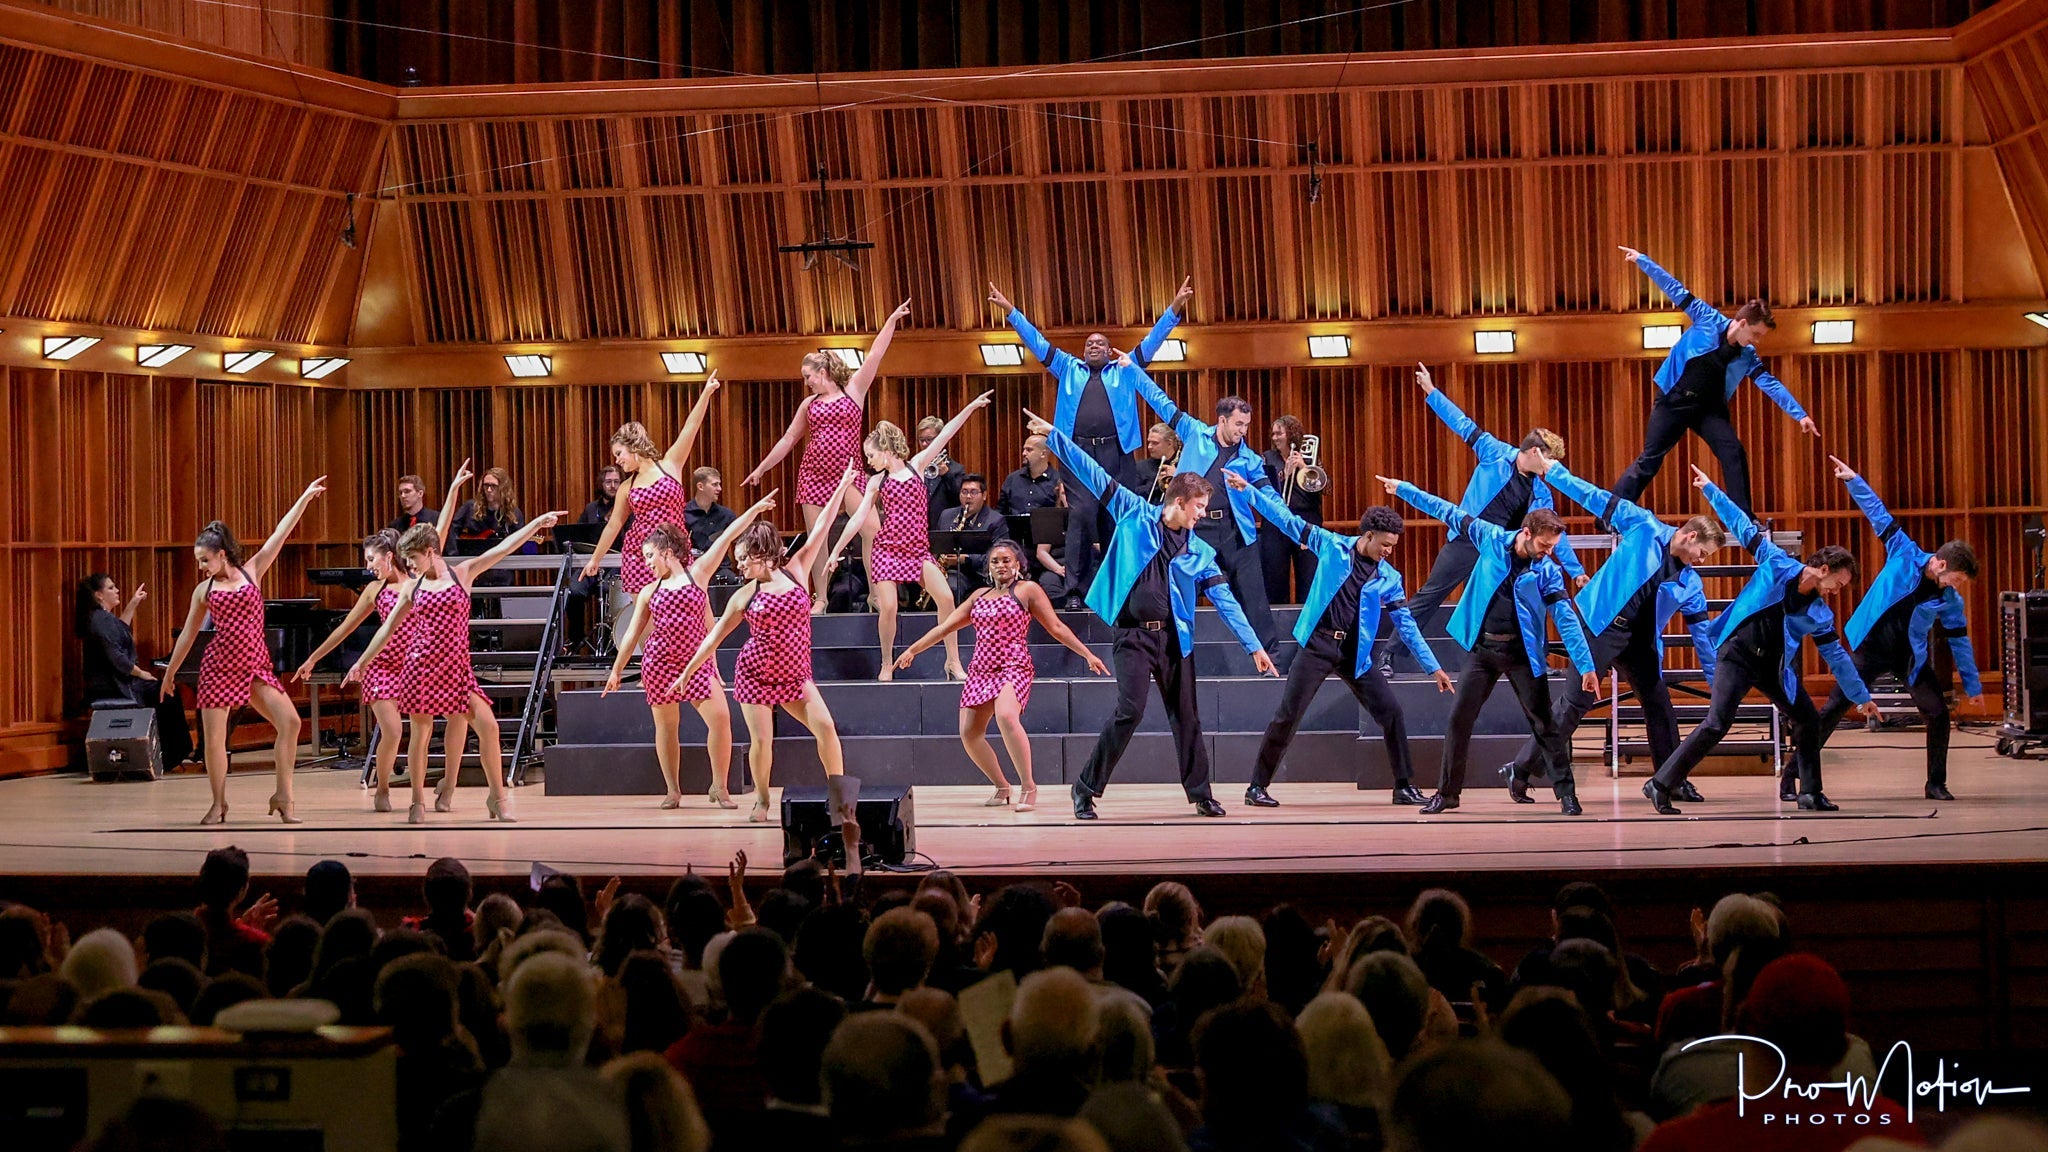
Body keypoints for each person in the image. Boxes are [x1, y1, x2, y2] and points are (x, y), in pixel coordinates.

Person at [1026, 409, 1277, 821]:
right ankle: (1085, 788)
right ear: (1180, 502)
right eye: (1198, 507)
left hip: (1175, 640)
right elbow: (1093, 474)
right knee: (1130, 711)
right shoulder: (1135, 513)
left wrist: (1254, 646)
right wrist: (1055, 438)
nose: (1201, 515)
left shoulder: (1200, 551)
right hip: (1133, 635)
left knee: (1187, 717)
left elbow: (1226, 600)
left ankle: (1201, 794)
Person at [1647, 466, 1876, 814]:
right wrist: (1710, 489)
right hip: (1736, 654)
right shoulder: (1777, 563)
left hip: (1773, 667)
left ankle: (1810, 793)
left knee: (1808, 719)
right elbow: (1741, 525)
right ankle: (1660, 783)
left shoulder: (1819, 613)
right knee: (1717, 723)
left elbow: (1838, 657)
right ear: (1825, 570)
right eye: (1839, 584)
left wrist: (1862, 697)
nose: (1836, 592)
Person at [1501, 459, 1726, 806]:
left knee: (1659, 704)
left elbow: (1703, 636)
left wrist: (1717, 682)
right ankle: (1521, 769)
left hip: (1638, 642)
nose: (1701, 560)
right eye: (1703, 553)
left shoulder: (1690, 583)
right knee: (1576, 702)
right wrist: (1556, 471)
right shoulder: (1644, 526)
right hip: (1597, 626)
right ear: (1690, 535)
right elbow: (1595, 497)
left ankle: (1672, 780)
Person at [1224, 475, 1452, 808]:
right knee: (1289, 714)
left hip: (1354, 653)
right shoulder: (1331, 545)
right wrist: (1251, 493)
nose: (1389, 551)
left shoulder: (1389, 577)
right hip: (1318, 644)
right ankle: (1256, 787)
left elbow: (1407, 625)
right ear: (1369, 536)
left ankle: (1403, 785)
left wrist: (1434, 668)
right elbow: (1288, 521)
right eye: (1385, 544)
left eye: (1393, 546)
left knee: (1391, 712)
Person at [1377, 476, 1597, 815]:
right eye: (1544, 544)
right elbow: (1447, 511)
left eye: (1552, 547)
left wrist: (1586, 666)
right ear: (1526, 533)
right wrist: (1403, 490)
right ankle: (1447, 794)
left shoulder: (1547, 571)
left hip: (1523, 655)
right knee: (1459, 720)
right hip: (1483, 651)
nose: (1548, 552)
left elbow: (1566, 619)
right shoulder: (1491, 539)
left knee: (1544, 724)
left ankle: (1567, 795)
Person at [346, 504, 568, 823]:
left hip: (456, 670)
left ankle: (497, 797)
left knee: (488, 728)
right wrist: (362, 661)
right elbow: (387, 629)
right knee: (421, 735)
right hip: (421, 668)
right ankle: (417, 802)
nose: (409, 565)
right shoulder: (414, 587)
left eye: (413, 559)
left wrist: (535, 523)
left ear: (430, 552)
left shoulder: (461, 572)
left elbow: (503, 548)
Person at [679, 467, 862, 847]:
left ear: (764, 555)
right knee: (763, 742)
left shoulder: (795, 571)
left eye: (744, 559)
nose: (740, 566)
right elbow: (713, 638)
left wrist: (842, 485)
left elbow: (823, 525)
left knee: (826, 728)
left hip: (795, 674)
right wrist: (687, 672)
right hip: (755, 674)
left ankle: (841, 801)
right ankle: (763, 798)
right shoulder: (744, 595)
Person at [990, 277, 1192, 609]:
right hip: (1078, 454)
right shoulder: (1067, 366)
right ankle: (1075, 591)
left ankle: (1119, 589)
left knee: (1117, 519)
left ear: (1109, 348)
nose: (1093, 345)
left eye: (1100, 342)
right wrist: (1011, 311)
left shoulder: (1124, 369)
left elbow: (1153, 341)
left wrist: (1174, 308)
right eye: (1088, 343)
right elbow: (1037, 342)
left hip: (1117, 453)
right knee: (1082, 517)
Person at [1383, 364, 1587, 670]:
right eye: (1550, 460)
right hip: (1468, 538)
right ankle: (1388, 655)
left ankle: (1536, 662)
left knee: (1531, 598)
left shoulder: (1541, 491)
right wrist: (1430, 391)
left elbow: (1555, 534)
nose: (1552, 467)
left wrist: (1576, 570)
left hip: (1500, 551)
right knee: (1430, 595)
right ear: (1533, 451)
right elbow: (1462, 424)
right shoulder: (1495, 452)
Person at [295, 465, 469, 812]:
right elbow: (344, 628)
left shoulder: (416, 582)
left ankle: (445, 785)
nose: (368, 566)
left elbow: (442, 528)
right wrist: (314, 657)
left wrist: (452, 491)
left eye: (371, 559)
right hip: (381, 667)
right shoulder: (374, 590)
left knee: (447, 721)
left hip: (416, 664)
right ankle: (384, 785)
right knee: (392, 730)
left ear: (390, 557)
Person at [161, 476, 328, 825]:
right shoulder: (203, 590)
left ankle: (283, 794)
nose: (201, 566)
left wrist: (304, 498)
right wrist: (171, 673)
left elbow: (279, 536)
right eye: (199, 561)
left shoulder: (252, 571)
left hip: (254, 665)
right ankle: (218, 803)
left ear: (222, 555)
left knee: (291, 722)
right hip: (219, 666)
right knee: (214, 742)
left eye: (205, 560)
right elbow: (188, 635)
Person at [896, 540, 1109, 812]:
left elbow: (1056, 626)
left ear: (1018, 564)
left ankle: (1029, 786)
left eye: (1007, 560)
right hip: (981, 669)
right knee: (969, 733)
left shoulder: (1027, 590)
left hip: (1013, 665)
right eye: (995, 561)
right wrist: (913, 650)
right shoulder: (979, 596)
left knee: (1007, 716)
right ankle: (1001, 785)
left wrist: (1087, 654)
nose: (1001, 565)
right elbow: (945, 627)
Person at [1815, 456, 1982, 801]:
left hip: (1909, 657)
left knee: (1937, 713)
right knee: (1833, 709)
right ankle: (1793, 776)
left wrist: (1973, 685)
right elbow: (1878, 515)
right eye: (1959, 578)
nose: (1959, 585)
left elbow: (1960, 643)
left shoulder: (1951, 601)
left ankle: (1936, 783)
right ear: (1941, 563)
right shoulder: (1904, 553)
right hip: (1870, 648)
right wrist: (1853, 480)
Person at [1611, 246, 1819, 515]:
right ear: (1742, 323)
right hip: (1674, 400)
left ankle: (1744, 518)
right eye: (1755, 334)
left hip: (1708, 408)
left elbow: (1769, 383)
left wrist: (1800, 415)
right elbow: (1674, 287)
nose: (1756, 341)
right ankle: (1611, 513)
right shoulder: (1706, 317)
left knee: (1733, 452)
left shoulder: (1747, 355)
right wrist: (1642, 260)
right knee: (1649, 460)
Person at [604, 493, 778, 810]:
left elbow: (727, 536)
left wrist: (753, 508)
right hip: (659, 664)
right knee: (667, 728)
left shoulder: (697, 574)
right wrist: (617, 669)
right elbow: (632, 633)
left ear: (668, 553)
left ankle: (719, 787)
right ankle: (673, 790)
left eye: (649, 557)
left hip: (696, 663)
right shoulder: (648, 591)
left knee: (721, 719)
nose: (647, 564)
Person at [742, 302, 912, 605]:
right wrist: (762, 468)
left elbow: (874, 356)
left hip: (850, 474)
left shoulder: (853, 391)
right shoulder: (809, 406)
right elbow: (788, 439)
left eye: (809, 376)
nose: (806, 383)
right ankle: (820, 597)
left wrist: (890, 322)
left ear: (823, 372)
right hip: (814, 475)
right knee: (817, 539)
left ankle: (875, 592)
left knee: (872, 528)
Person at [825, 395, 992, 681]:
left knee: (946, 598)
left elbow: (948, 431)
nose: (869, 461)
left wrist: (970, 407)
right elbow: (858, 519)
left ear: (886, 450)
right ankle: (887, 663)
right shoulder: (877, 481)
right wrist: (835, 551)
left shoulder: (917, 465)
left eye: (871, 455)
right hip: (887, 551)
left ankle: (952, 661)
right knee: (888, 606)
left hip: (917, 551)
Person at [1130, 360, 1279, 650]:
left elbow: (1269, 497)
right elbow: (1160, 400)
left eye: (1246, 425)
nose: (1243, 431)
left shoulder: (1250, 460)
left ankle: (1270, 654)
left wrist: (1294, 526)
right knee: (1178, 588)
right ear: (1222, 420)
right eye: (1238, 424)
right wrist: (1132, 370)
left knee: (1253, 596)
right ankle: (1171, 650)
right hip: (1196, 527)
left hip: (1236, 531)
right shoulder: (1195, 432)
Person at [581, 378, 722, 607]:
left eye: (619, 453)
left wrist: (705, 393)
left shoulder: (670, 465)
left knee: (682, 613)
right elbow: (614, 525)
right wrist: (595, 559)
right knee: (648, 621)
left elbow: (691, 428)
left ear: (634, 447)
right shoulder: (627, 487)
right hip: (640, 556)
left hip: (675, 550)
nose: (617, 460)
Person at [76, 572, 194, 767]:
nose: (117, 590)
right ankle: (172, 753)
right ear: (99, 595)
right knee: (165, 693)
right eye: (111, 587)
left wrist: (132, 604)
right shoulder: (100, 620)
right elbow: (117, 657)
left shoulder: (103, 618)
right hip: (114, 684)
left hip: (118, 680)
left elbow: (120, 630)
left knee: (163, 691)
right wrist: (141, 673)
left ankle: (172, 751)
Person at [1260, 415, 1323, 604]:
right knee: (1274, 575)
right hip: (1276, 521)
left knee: (1309, 573)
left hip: (1306, 519)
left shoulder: (1310, 457)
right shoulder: (1267, 458)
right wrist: (1284, 475)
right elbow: (1264, 490)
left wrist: (1304, 467)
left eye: (1279, 433)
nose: (1275, 437)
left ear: (1291, 434)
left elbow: (1324, 488)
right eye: (1273, 433)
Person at [935, 473, 1009, 603]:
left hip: (978, 575)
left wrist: (965, 559)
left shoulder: (996, 520)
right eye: (964, 492)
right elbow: (936, 545)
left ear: (984, 495)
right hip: (948, 571)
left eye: (973, 492)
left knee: (950, 587)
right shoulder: (946, 516)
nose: (968, 497)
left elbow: (998, 556)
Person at [682, 467, 737, 572]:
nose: (720, 488)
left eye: (719, 484)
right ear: (700, 486)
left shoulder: (727, 515)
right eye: (715, 484)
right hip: (694, 569)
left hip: (721, 568)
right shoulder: (683, 514)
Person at [917, 414, 967, 522]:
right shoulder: (915, 467)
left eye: (929, 439)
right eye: (922, 440)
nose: (925, 444)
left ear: (941, 439)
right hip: (918, 527)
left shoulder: (956, 469)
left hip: (943, 528)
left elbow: (960, 500)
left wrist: (947, 475)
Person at [1137, 420, 1181, 506]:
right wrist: (1157, 483)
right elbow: (1133, 494)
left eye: (1155, 443)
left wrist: (1177, 476)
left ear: (1169, 443)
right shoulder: (1140, 467)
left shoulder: (1184, 464)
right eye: (1149, 442)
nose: (1149, 447)